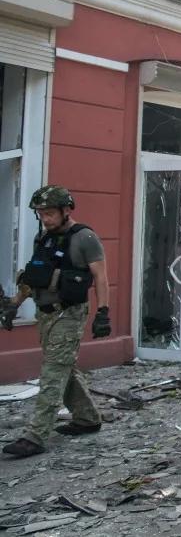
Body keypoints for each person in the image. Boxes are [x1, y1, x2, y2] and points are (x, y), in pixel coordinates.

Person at [2, 186, 109, 458]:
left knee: (52, 373)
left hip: (69, 314)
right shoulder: (44, 238)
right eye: (41, 214)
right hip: (45, 314)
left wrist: (103, 312)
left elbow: (101, 277)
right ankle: (87, 417)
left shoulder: (85, 238)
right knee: (63, 367)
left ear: (66, 210)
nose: (45, 219)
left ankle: (35, 436)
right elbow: (34, 277)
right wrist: (15, 304)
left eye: (49, 213)